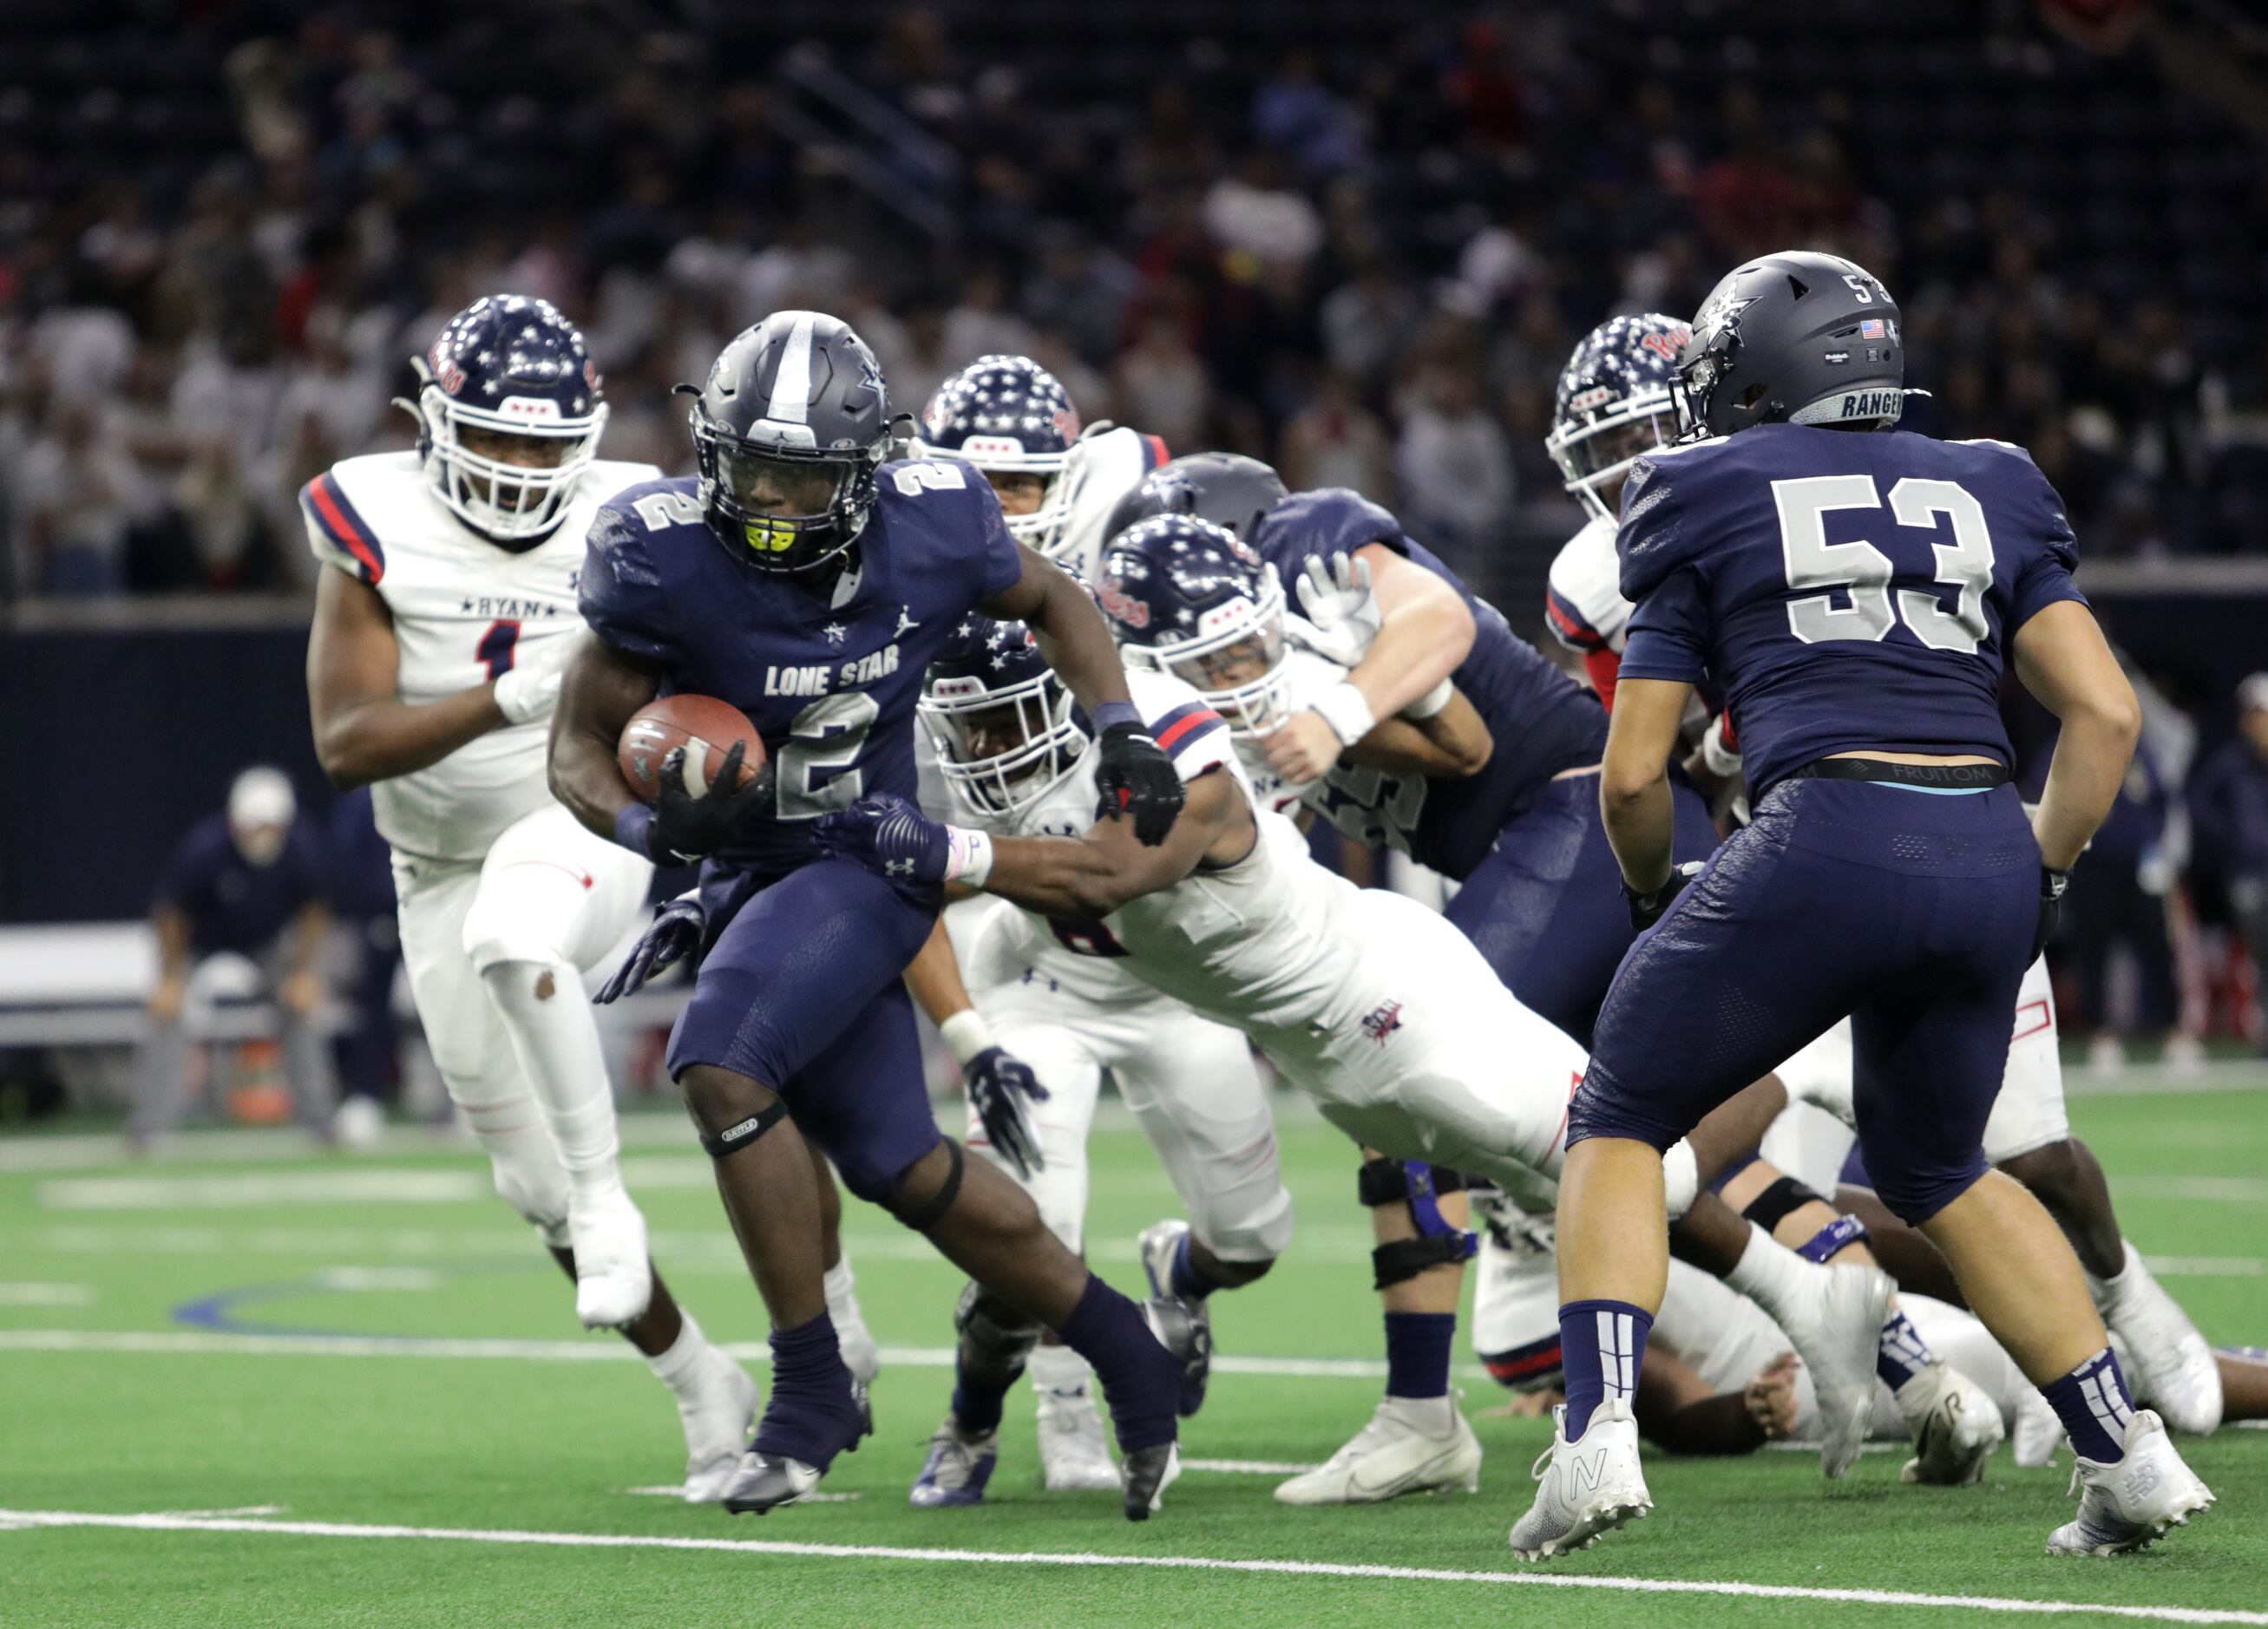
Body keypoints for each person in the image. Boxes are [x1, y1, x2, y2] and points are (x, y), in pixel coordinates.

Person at [817, 515, 1894, 1510]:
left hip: (1392, 1006)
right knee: (1582, 1178)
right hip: (1328, 1049)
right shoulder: (1077, 734)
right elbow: (1011, 880)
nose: (1245, 680)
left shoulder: (1171, 734)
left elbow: (1107, 873)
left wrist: (953, 854)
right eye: (1219, 659)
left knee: (1619, 1173)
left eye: (1251, 651)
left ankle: (1801, 1092)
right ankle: (1787, 1310)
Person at [1511, 250, 2214, 1561]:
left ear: (1756, 378)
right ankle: (2125, 1451)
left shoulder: (1692, 488)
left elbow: (1629, 774)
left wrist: (1658, 893)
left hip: (1821, 830)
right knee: (1944, 1165)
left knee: (1615, 1112)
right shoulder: (1992, 477)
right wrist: (2040, 870)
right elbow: (2104, 711)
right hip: (1985, 840)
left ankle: (1594, 1433)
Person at [550, 310, 1202, 1522]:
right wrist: (654, 837)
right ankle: (1128, 1353)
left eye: (806, 476)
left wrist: (1121, 725)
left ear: (863, 469)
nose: (775, 501)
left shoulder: (937, 513)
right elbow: (577, 751)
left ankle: (809, 1392)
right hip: (748, 871)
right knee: (900, 1164)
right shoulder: (655, 551)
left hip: (871, 855)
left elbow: (1054, 593)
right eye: (755, 468)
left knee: (719, 1068)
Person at [303, 294, 773, 1501]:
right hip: (432, 861)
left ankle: (619, 1199)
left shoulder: (641, 509)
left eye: (540, 442)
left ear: (588, 431)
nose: (519, 467)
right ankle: (699, 1381)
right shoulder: (373, 516)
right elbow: (348, 743)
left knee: (519, 927)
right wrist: (507, 697)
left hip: (583, 822)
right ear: (429, 422)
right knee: (527, 1186)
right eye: (495, 439)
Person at [895, 618, 1297, 1505]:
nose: (989, 750)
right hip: (1041, 990)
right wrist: (968, 1038)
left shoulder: (1157, 722)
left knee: (1253, 1239)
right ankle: (988, 1417)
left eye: (1007, 721)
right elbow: (909, 897)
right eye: (971, 729)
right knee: (1029, 1237)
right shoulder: (935, 764)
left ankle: (1179, 1276)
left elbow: (1111, 875)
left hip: (1179, 994)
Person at [132, 767, 336, 1146]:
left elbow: (314, 910)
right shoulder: (204, 849)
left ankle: (320, 1122)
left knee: (301, 1008)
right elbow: (171, 915)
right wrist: (171, 977)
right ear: (236, 822)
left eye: (272, 827)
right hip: (198, 942)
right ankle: (147, 1128)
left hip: (267, 942)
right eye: (256, 826)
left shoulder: (301, 846)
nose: (264, 836)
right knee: (167, 1013)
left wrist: (304, 971)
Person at [912, 352, 1170, 579]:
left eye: (1015, 484)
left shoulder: (1105, 503)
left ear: (1061, 484)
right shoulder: (895, 549)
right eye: (971, 482)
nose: (992, 502)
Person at [2189, 671, 2268, 1055]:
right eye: (2257, 714)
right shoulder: (2230, 763)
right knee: (2260, 953)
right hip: (2249, 872)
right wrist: (2233, 840)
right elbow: (2199, 807)